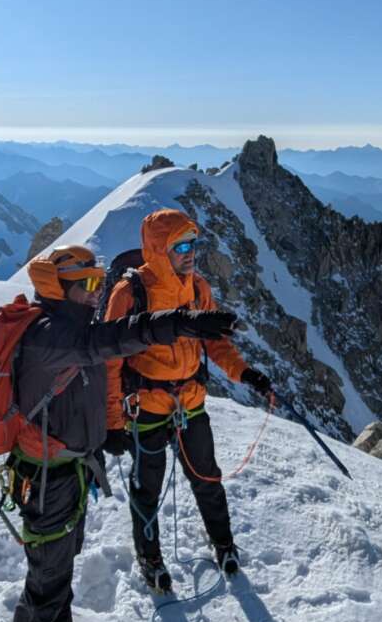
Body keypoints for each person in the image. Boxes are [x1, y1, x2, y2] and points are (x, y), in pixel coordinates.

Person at [0, 243, 238, 622]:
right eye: (85, 285)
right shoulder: (51, 335)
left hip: (70, 469)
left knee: (62, 561)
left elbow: (92, 374)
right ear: (56, 288)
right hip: (46, 479)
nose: (95, 292)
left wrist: (106, 432)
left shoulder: (69, 329)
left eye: (96, 282)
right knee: (44, 582)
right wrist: (181, 323)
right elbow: (118, 337)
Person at [103, 209, 272, 591]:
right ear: (160, 249)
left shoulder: (198, 288)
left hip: (190, 402)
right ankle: (150, 558)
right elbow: (110, 361)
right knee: (147, 488)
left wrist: (244, 373)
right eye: (180, 246)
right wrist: (113, 422)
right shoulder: (129, 293)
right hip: (146, 406)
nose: (190, 252)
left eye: (193, 244)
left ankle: (224, 544)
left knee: (207, 477)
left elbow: (215, 342)